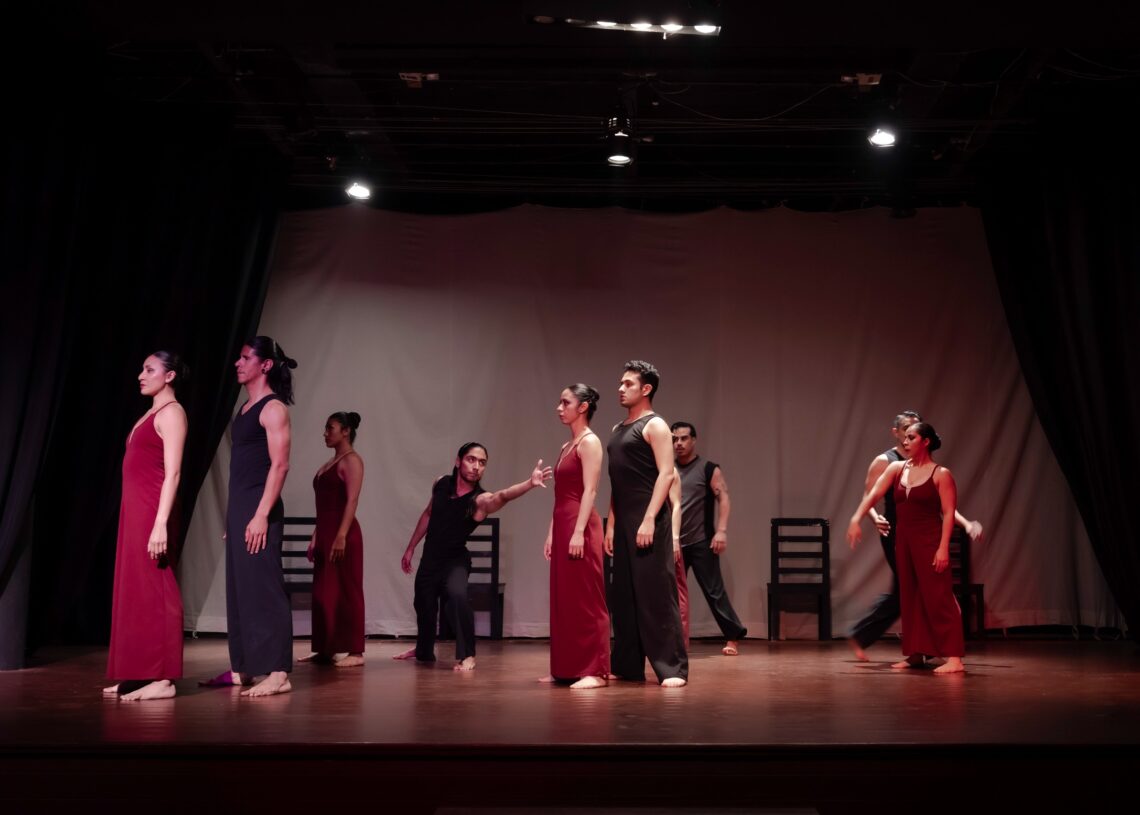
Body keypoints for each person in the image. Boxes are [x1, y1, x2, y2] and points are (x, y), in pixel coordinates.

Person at [395, 444, 552, 671]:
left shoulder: (479, 500)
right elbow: (428, 514)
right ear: (458, 461)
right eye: (471, 459)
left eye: (482, 462)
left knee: (457, 596)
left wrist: (529, 483)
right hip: (430, 559)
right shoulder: (441, 483)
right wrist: (411, 547)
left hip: (455, 561)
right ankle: (423, 650)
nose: (476, 466)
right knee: (423, 603)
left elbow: (502, 496)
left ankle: (468, 655)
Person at [201, 336, 296, 697]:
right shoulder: (245, 409)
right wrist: (235, 515)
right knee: (241, 588)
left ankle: (278, 672)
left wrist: (260, 515)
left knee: (266, 589)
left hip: (261, 508)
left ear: (265, 365)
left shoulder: (273, 409)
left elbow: (280, 465)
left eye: (245, 358)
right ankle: (243, 667)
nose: (238, 363)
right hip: (243, 508)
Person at [847, 411, 983, 660]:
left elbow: (947, 510)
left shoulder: (939, 473)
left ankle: (949, 655)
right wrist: (860, 518)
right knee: (909, 594)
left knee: (932, 594)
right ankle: (916, 653)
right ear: (896, 432)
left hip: (927, 538)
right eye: (905, 434)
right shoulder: (892, 465)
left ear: (925, 440)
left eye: (912, 435)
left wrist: (954, 537)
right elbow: (872, 495)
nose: (906, 440)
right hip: (899, 537)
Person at [104, 351, 188, 701]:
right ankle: (139, 671)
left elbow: (174, 472)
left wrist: (161, 523)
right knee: (136, 590)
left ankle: (163, 678)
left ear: (169, 376)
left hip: (154, 511)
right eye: (141, 368)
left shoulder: (172, 413)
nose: (141, 374)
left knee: (158, 588)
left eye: (149, 369)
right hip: (136, 512)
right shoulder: (150, 414)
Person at [605, 360, 687, 687]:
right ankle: (627, 665)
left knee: (656, 594)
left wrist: (650, 518)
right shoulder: (617, 429)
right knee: (623, 596)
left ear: (646, 389)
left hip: (649, 518)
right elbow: (617, 482)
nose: (621, 388)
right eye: (621, 383)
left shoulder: (655, 425)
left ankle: (673, 668)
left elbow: (666, 474)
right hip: (624, 521)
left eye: (628, 384)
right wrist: (611, 525)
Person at [540, 385, 609, 689]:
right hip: (564, 524)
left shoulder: (590, 442)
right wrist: (552, 533)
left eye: (565, 402)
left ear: (583, 407)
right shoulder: (566, 446)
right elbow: (560, 495)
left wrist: (579, 531)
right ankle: (564, 668)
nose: (559, 407)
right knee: (564, 599)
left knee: (587, 599)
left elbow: (590, 490)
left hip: (581, 526)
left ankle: (595, 670)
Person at [670, 421, 748, 656]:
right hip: (674, 542)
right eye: (674, 439)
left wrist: (721, 530)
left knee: (714, 591)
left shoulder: (708, 468)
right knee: (671, 594)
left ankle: (733, 637)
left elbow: (723, 498)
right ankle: (673, 641)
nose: (679, 443)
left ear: (693, 440)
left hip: (700, 541)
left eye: (684, 438)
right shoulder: (667, 469)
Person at [298, 411, 365, 668]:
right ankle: (325, 648)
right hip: (327, 534)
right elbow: (323, 507)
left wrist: (341, 535)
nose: (325, 433)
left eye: (331, 428)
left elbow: (352, 501)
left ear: (346, 431)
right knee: (324, 592)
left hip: (343, 535)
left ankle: (356, 652)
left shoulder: (352, 460)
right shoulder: (330, 462)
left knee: (347, 590)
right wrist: (316, 536)